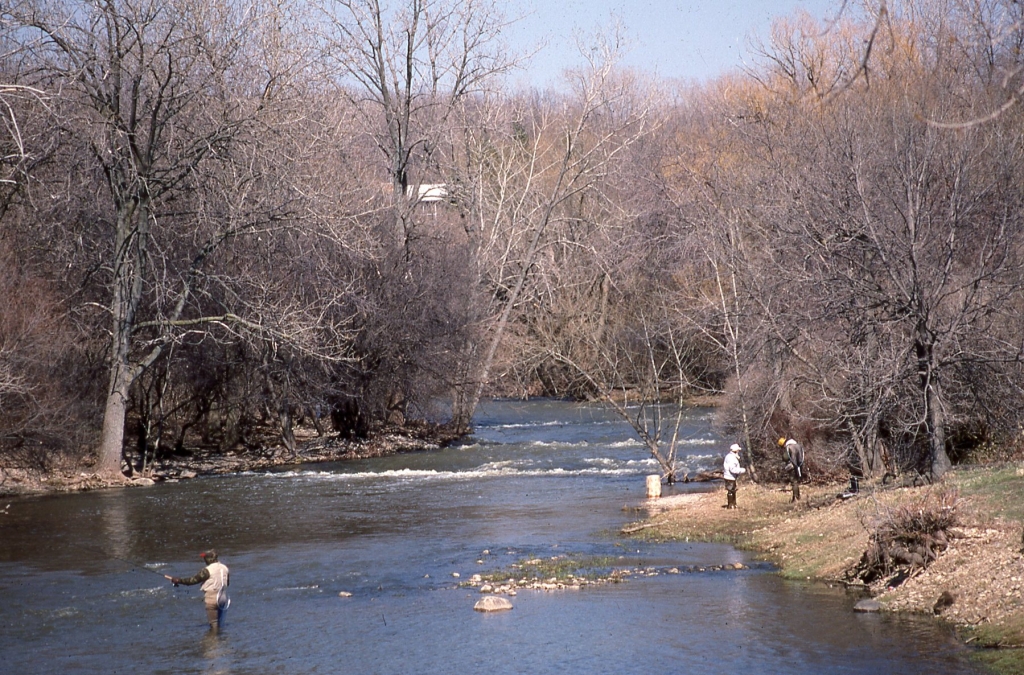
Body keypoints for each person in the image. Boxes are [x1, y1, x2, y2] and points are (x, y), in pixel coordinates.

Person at [165, 549, 230, 632]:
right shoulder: (225, 568)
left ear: (208, 559)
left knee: (214, 625)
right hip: (223, 598)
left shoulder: (207, 570)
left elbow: (193, 580)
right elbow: (227, 583)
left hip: (212, 598)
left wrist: (178, 580)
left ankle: (213, 643)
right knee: (220, 624)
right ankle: (222, 643)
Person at [778, 437, 805, 502]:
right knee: (796, 482)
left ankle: (796, 498)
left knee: (794, 482)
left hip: (792, 466)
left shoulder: (788, 447)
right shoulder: (798, 445)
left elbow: (785, 458)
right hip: (799, 466)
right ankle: (795, 497)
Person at [722, 443, 746, 509]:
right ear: (736, 451)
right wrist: (742, 470)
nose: (739, 451)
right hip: (730, 477)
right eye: (738, 450)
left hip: (728, 476)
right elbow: (732, 469)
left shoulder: (728, 456)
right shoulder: (732, 458)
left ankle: (733, 504)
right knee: (731, 491)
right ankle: (731, 505)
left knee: (732, 491)